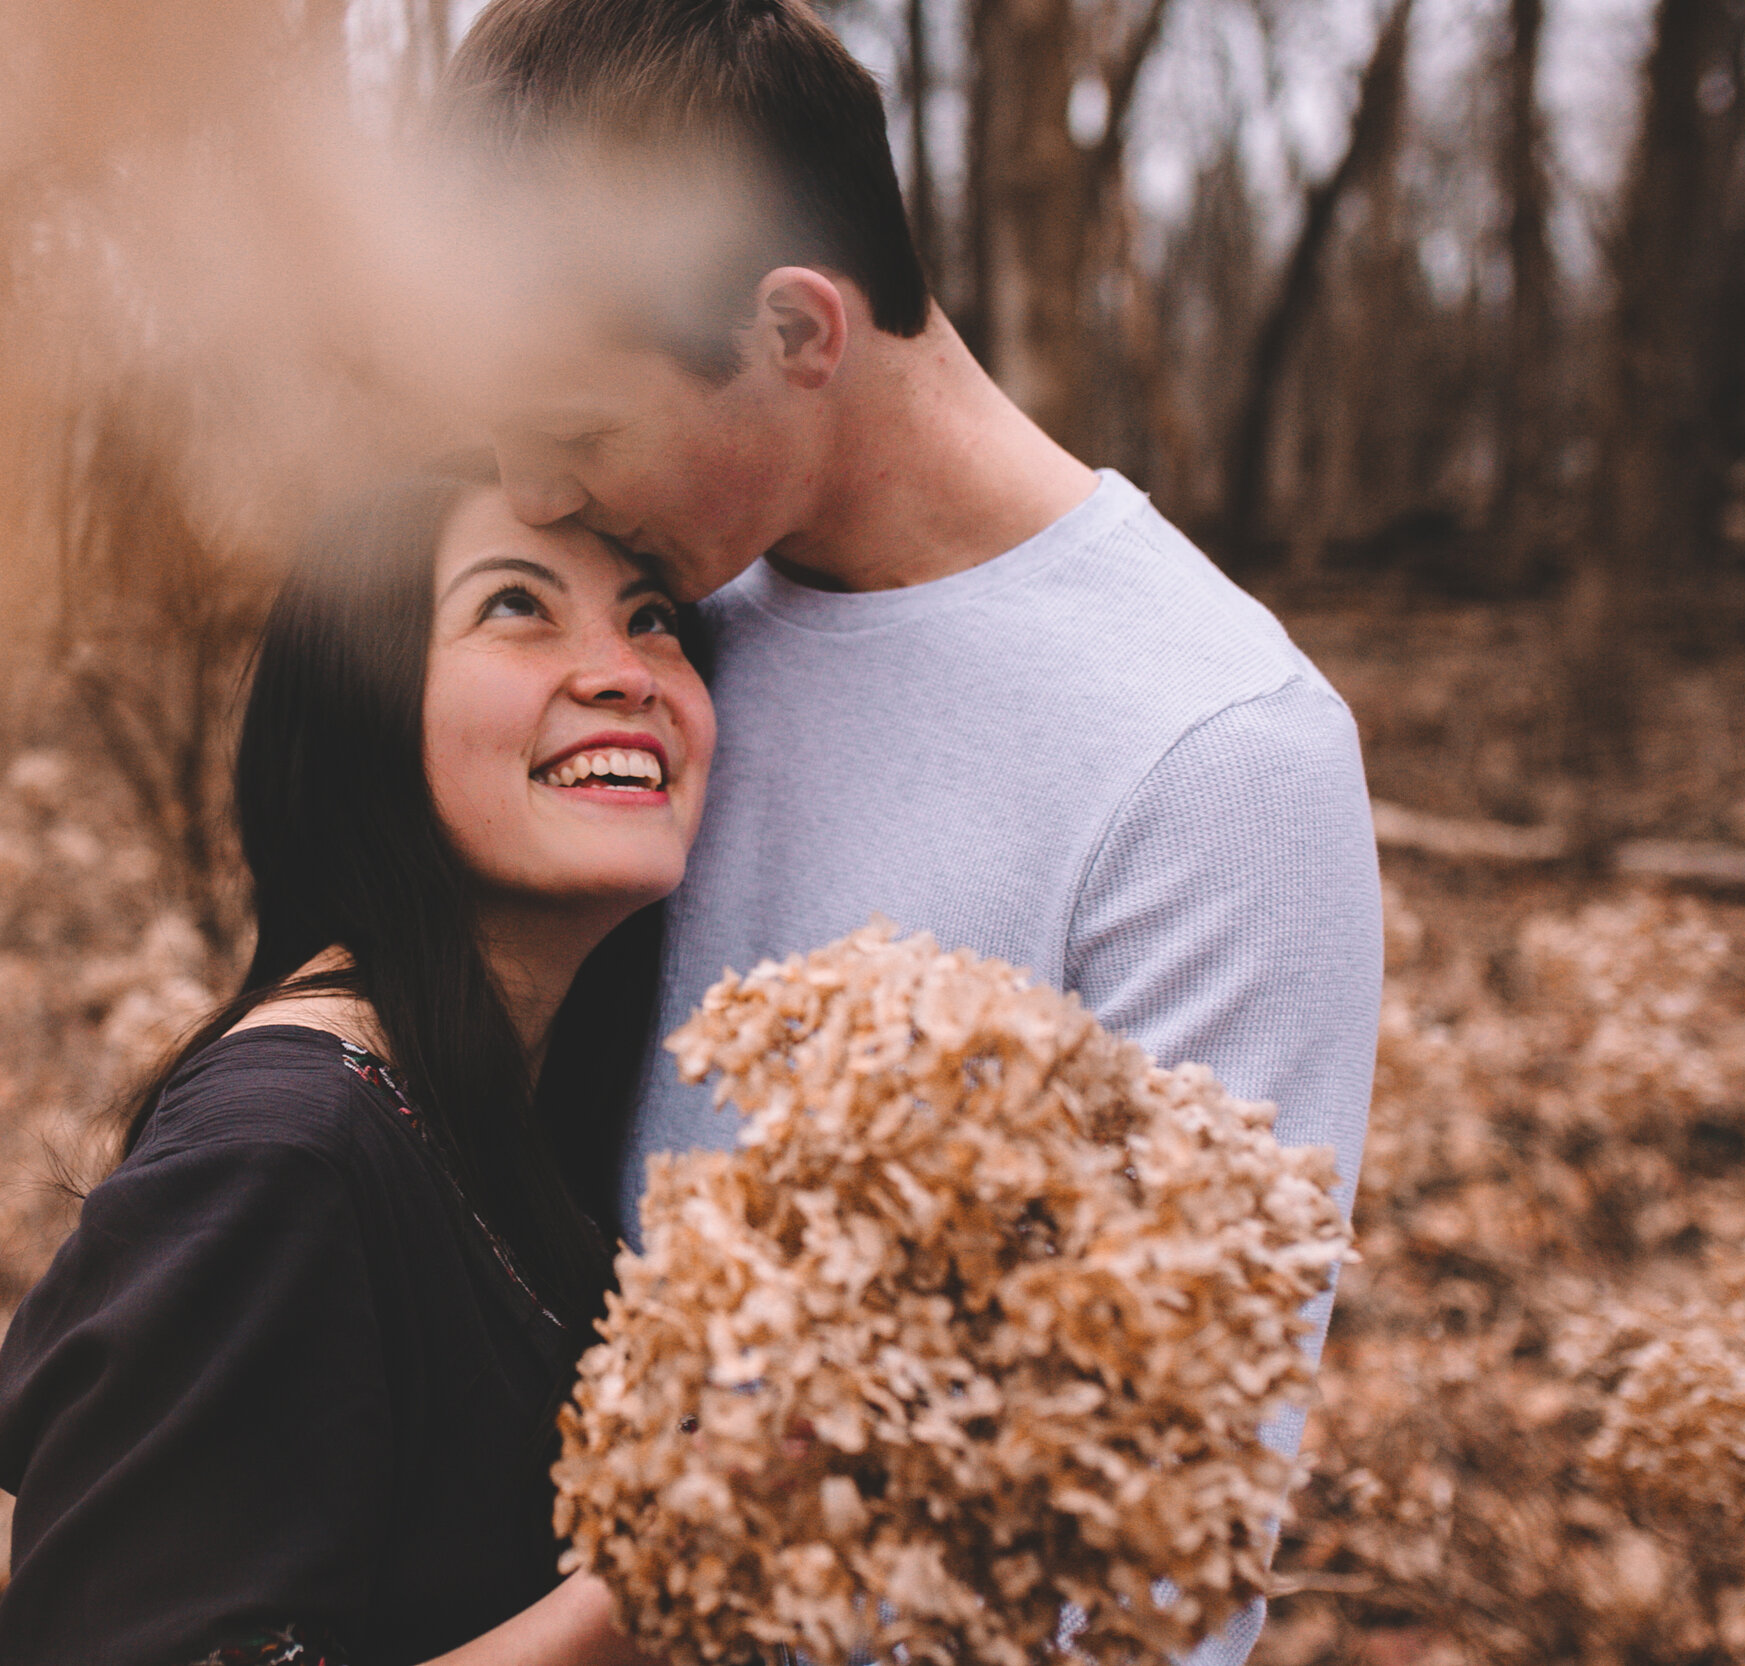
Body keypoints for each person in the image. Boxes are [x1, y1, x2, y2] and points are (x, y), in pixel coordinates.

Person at [440, 4, 1382, 1661]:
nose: (527, 490)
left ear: (801, 330)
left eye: (576, 431)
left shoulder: (1212, 754)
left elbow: (1163, 1528)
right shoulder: (652, 636)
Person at [0, 476, 715, 1666]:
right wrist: (669, 1574)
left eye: (652, 616)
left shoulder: (504, 1111)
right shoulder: (277, 1153)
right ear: (357, 704)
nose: (625, 669)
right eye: (515, 605)